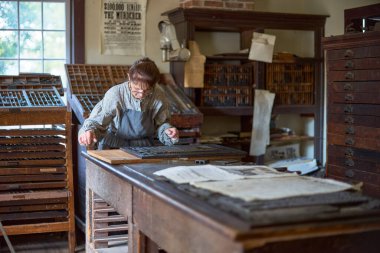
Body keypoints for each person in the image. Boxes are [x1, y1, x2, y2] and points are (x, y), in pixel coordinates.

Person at [78, 57, 179, 149]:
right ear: (129, 78)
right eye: (136, 89)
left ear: (154, 85)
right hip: (113, 145)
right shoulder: (116, 94)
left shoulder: (158, 95)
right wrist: (89, 132)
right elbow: (96, 121)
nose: (140, 95)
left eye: (147, 90)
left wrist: (168, 131)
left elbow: (161, 123)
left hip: (143, 147)